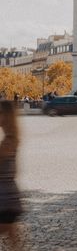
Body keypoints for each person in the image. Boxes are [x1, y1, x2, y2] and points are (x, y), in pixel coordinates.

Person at [0, 101, 22, 250]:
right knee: (13, 239)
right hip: (7, 197)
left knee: (12, 237)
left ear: (6, 117)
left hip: (5, 199)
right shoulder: (10, 139)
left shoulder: (8, 142)